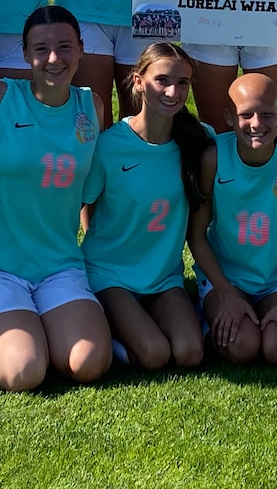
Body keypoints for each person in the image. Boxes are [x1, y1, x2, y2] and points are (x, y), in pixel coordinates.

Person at [0, 5, 112, 389]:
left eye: (64, 47)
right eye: (41, 48)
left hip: (60, 265)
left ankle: (40, 328)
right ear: (25, 52)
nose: (53, 58)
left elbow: (94, 185)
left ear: (81, 49)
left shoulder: (92, 107)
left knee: (89, 362)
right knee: (24, 371)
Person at [80, 43, 211, 369]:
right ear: (138, 81)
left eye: (183, 83)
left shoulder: (199, 139)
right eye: (162, 80)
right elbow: (85, 201)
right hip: (109, 273)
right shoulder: (110, 143)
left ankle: (147, 321)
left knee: (189, 352)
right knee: (154, 354)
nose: (173, 91)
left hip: (163, 278)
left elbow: (251, 141)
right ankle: (106, 334)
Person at [187, 74, 277, 365]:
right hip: (226, 278)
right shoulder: (214, 158)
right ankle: (206, 318)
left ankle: (276, 308)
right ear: (229, 117)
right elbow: (196, 237)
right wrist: (226, 293)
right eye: (246, 114)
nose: (257, 124)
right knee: (242, 348)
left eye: (267, 114)